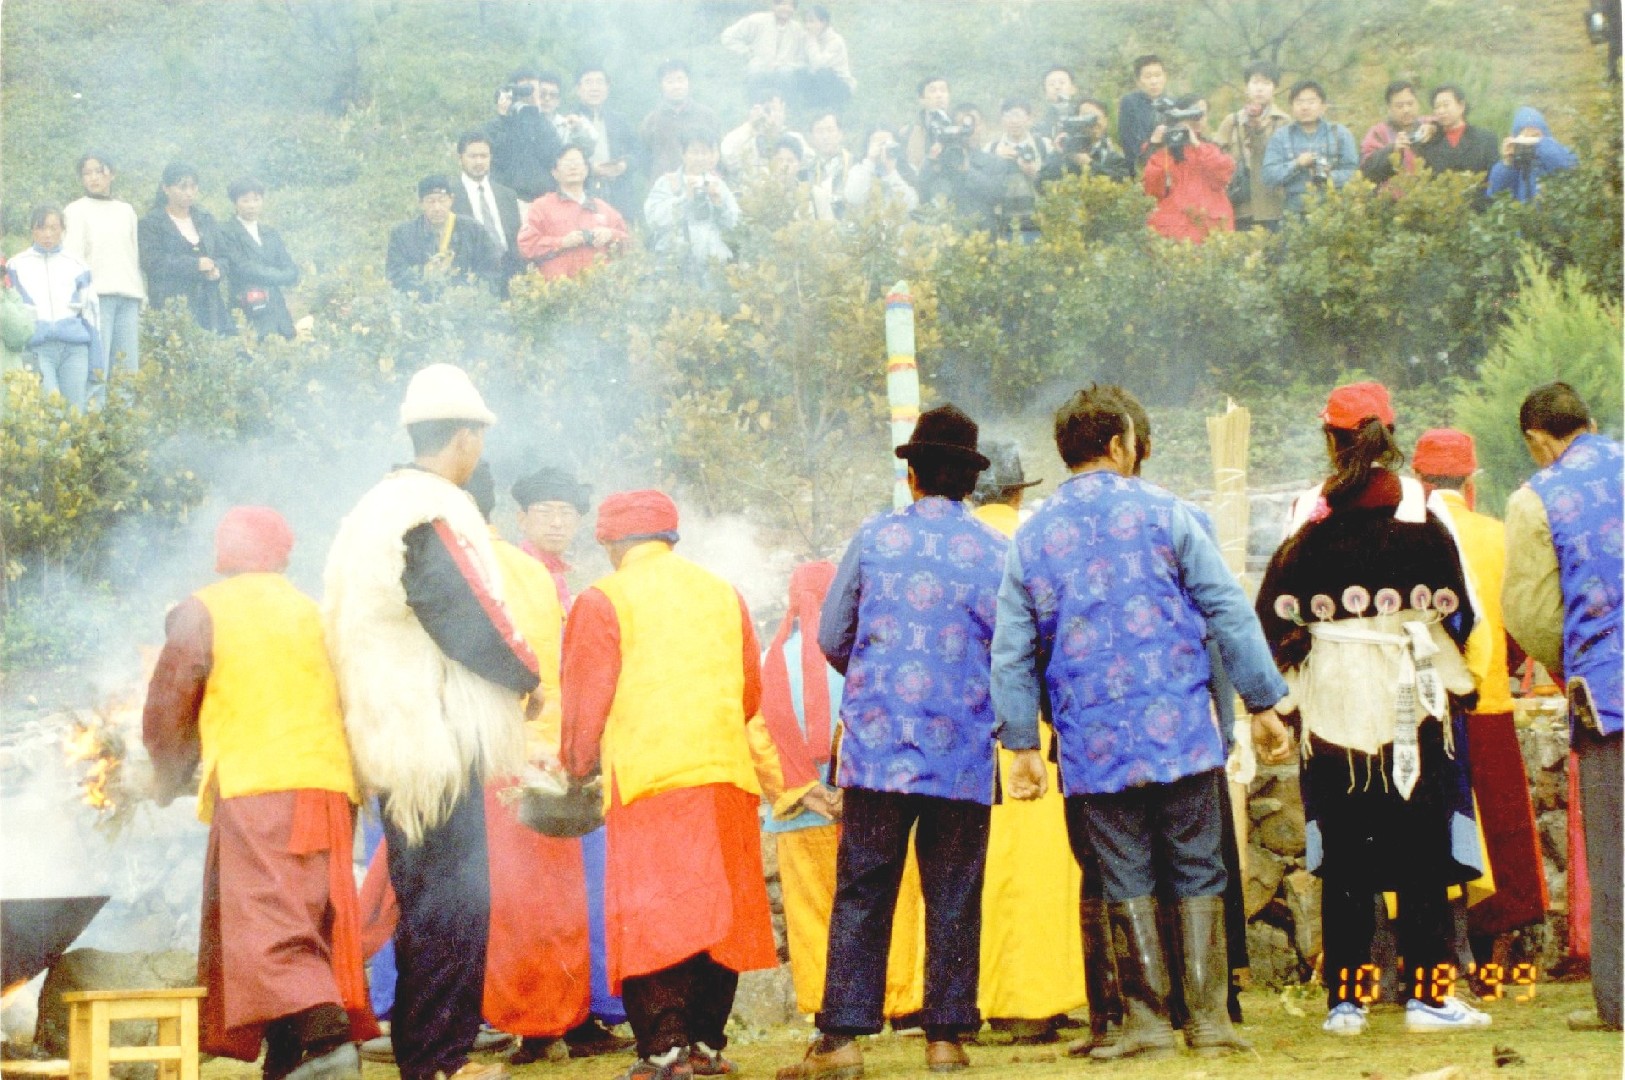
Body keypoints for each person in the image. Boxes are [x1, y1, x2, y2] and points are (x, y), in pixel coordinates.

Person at [992, 384, 1289, 1061]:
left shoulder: (1033, 536)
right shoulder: (1171, 514)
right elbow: (1226, 608)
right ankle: (1208, 1022)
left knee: (1121, 871)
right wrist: (1265, 702)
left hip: (1093, 740)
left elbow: (1012, 649)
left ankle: (1146, 1024)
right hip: (1179, 724)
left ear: (1064, 451)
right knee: (1196, 865)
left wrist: (1021, 745)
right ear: (1122, 442)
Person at [778, 405, 1047, 1079]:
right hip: (960, 748)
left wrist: (876, 681)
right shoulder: (999, 552)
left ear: (912, 474)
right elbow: (1017, 650)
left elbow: (832, 635)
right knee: (954, 888)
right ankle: (945, 1040)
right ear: (969, 481)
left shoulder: (874, 538)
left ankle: (840, 1042)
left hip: (875, 747)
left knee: (863, 888)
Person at [322, 363, 541, 1080]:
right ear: (465, 437)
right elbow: (460, 607)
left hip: (392, 729)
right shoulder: (427, 508)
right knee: (453, 904)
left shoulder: (369, 509)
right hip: (433, 733)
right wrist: (524, 677)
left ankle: (426, 1055)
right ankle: (440, 1059)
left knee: (428, 903)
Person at [1256, 382, 1491, 1037]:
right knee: (1422, 849)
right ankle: (1426, 998)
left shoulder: (1308, 512)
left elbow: (1274, 612)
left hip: (1331, 701)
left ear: (1328, 438)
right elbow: (1461, 609)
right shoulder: (1421, 507)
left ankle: (1345, 1003)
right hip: (1408, 693)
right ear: (1389, 433)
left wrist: (1300, 665)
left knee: (1344, 851)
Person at [143, 506, 376, 1080]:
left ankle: (327, 1044)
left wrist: (166, 772)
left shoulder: (204, 609)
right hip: (327, 786)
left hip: (259, 786)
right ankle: (289, 1057)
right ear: (284, 554)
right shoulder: (313, 612)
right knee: (308, 916)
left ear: (222, 554)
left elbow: (174, 695)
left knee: (263, 926)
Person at [560, 490, 778, 1080]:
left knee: (655, 917)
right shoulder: (722, 594)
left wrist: (575, 768)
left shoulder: (602, 599)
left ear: (610, 544)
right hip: (726, 775)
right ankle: (707, 1044)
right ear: (671, 536)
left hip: (653, 780)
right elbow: (749, 693)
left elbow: (586, 701)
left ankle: (666, 1047)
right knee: (718, 915)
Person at [753, 561, 928, 1024]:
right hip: (870, 805)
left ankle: (827, 1010)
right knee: (890, 901)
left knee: (814, 916)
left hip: (800, 814)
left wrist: (805, 790)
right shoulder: (865, 651)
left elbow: (756, 735)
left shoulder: (770, 661)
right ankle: (900, 1003)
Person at [1502, 382, 1622, 1033]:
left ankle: (1621, 1002)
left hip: (1607, 696)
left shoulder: (1534, 497)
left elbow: (1529, 613)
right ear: (1591, 423)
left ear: (1535, 439)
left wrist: (1567, 663)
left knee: (1616, 855)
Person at [968, 442, 1090, 1045]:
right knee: (1054, 865)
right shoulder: (1044, 542)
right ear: (1020, 491)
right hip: (1045, 726)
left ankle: (1003, 998)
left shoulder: (958, 545)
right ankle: (1056, 993)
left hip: (976, 734)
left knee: (994, 869)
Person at [507, 465, 633, 1050]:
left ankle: (584, 1012)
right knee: (534, 892)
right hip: (529, 751)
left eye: (566, 511)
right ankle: (539, 1020)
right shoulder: (511, 577)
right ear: (521, 519)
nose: (556, 521)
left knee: (586, 890)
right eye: (544, 511)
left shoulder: (581, 585)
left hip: (580, 751)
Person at [1411, 429, 1546, 950]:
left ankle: (1431, 946)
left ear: (1419, 480)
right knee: (1499, 831)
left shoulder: (1407, 532)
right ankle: (1497, 952)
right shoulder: (1496, 535)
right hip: (1487, 701)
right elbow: (1519, 621)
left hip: (1424, 708)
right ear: (1471, 483)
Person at [8, 204, 101, 411]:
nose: (47, 234)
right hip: (38, 351)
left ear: (63, 230)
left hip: (75, 351)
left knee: (75, 414)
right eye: (41, 228)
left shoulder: (78, 265)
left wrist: (97, 363)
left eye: (54, 228)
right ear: (32, 230)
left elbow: (92, 315)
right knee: (50, 413)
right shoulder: (15, 265)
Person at [62, 152, 144, 374]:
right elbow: (72, 260)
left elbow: (133, 255)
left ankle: (125, 410)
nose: (93, 178)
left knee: (128, 371)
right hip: (96, 299)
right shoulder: (75, 210)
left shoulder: (126, 211)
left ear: (112, 173)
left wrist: (140, 296)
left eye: (99, 171)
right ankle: (96, 410)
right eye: (87, 173)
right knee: (98, 368)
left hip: (128, 298)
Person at [139, 162, 233, 335]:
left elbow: (224, 256)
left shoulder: (205, 219)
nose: (189, 193)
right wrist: (194, 265)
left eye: (193, 187)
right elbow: (152, 262)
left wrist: (218, 270)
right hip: (170, 307)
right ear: (165, 188)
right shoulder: (151, 223)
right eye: (182, 187)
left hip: (210, 306)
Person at [517, 145, 630, 281]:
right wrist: (562, 242)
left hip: (599, 291)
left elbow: (629, 243)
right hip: (558, 292)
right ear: (554, 172)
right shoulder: (540, 207)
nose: (573, 167)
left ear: (586, 170)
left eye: (577, 162)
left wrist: (611, 235)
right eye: (566, 163)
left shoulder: (603, 208)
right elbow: (526, 246)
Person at [385, 176, 500, 298]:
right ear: (421, 203)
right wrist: (424, 272)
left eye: (442, 200)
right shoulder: (402, 234)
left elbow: (491, 270)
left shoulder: (473, 229)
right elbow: (395, 275)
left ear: (451, 200)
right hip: (421, 306)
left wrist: (465, 290)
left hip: (466, 305)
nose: (437, 208)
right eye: (430, 201)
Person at [643, 129, 742, 271]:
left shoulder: (718, 185)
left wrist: (719, 204)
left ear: (711, 156)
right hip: (674, 266)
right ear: (683, 154)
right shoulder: (667, 183)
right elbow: (654, 220)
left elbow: (735, 225)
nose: (700, 157)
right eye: (695, 152)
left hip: (713, 267)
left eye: (705, 152)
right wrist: (685, 199)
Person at [1143, 95, 1234, 243]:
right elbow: (1152, 190)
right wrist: (1156, 146)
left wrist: (1197, 145)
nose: (1197, 119)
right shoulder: (1163, 151)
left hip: (1211, 231)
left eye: (1202, 114)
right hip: (1173, 232)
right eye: (1190, 113)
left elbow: (1224, 174)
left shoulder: (1210, 148)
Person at [217, 178, 299, 340]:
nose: (252, 205)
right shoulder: (226, 232)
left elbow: (291, 269)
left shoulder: (270, 233)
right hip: (248, 306)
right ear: (235, 202)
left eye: (256, 199)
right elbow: (243, 268)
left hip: (277, 309)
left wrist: (286, 275)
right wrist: (280, 276)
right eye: (245, 200)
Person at [1213, 62, 1291, 231]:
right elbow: (1214, 161)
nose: (1260, 89)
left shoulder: (1285, 122)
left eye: (1266, 83)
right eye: (1255, 82)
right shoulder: (1231, 122)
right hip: (1240, 207)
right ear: (1246, 87)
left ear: (1275, 88)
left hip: (1274, 207)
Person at [1261, 81, 1357, 215]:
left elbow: (1354, 173)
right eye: (1299, 102)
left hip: (1334, 211)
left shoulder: (1340, 134)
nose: (1305, 107)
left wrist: (1329, 176)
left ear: (1323, 106)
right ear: (1291, 107)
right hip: (1294, 212)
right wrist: (1297, 164)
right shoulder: (1281, 137)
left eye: (1311, 102)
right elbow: (1268, 176)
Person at [451, 133, 525, 287]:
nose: (479, 162)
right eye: (472, 156)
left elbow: (515, 236)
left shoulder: (507, 194)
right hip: (471, 275)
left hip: (510, 273)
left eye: (484, 156)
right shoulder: (451, 196)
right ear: (460, 158)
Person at [487, 71, 566, 204]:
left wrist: (536, 108)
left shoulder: (544, 124)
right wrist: (504, 117)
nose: (528, 93)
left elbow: (552, 156)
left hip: (543, 198)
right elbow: (497, 158)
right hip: (509, 199)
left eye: (534, 89)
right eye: (524, 89)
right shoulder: (496, 126)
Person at [1413, 85, 1500, 205]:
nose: (1441, 111)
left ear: (1461, 106)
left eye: (1446, 105)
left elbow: (1494, 180)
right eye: (1437, 107)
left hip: (1479, 212)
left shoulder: (1485, 139)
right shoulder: (1428, 142)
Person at [574, 67, 641, 217]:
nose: (594, 88)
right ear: (578, 89)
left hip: (619, 193)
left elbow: (638, 151)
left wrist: (624, 165)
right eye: (588, 82)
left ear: (607, 88)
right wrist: (591, 169)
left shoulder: (620, 120)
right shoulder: (571, 121)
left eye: (599, 82)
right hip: (584, 190)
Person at [640, 60, 722, 181]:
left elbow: (718, 153)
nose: (676, 86)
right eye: (670, 81)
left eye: (680, 80)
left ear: (688, 82)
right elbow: (644, 160)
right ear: (661, 85)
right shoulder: (651, 121)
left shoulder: (707, 116)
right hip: (665, 189)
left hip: (702, 185)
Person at [983, 99, 1050, 242]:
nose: (1014, 121)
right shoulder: (990, 149)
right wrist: (996, 162)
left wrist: (1034, 172)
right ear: (1001, 119)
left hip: (1039, 225)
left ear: (1029, 118)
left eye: (1018, 115)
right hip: (1003, 226)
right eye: (1008, 116)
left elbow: (1055, 183)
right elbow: (985, 188)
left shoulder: (1043, 145)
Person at [1486, 106, 1578, 203]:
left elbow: (1566, 169)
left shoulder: (1561, 151)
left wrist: (1541, 144)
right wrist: (1507, 162)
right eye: (1524, 137)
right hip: (1524, 215)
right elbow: (1496, 194)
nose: (1529, 142)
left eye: (1535, 136)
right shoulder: (1517, 162)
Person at [720, 0, 806, 103]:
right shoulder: (756, 20)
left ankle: (788, 109)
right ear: (774, 5)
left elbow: (802, 57)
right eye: (783, 4)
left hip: (784, 70)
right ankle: (753, 108)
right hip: (759, 65)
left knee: (787, 75)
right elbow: (728, 36)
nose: (786, 8)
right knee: (755, 72)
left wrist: (787, 65)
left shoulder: (798, 29)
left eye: (791, 5)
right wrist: (747, 53)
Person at [1038, 98, 1132, 185]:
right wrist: (1058, 154)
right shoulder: (1066, 150)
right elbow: (1041, 183)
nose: (1093, 123)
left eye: (1096, 117)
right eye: (1086, 118)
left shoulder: (1111, 154)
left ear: (1106, 120)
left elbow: (1123, 181)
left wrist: (1089, 164)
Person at [1358, 80, 1434, 186]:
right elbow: (1366, 170)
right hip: (1391, 199)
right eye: (1399, 106)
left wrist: (1436, 132)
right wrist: (1393, 150)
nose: (1406, 110)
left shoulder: (1430, 124)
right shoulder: (1378, 133)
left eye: (1410, 104)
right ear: (1389, 108)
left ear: (1418, 103)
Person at [843, 127, 918, 215]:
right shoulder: (859, 170)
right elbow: (854, 198)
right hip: (867, 225)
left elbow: (911, 205)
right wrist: (870, 161)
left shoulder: (907, 170)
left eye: (887, 143)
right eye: (877, 143)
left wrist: (891, 172)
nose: (882, 148)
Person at [1118, 54, 1170, 174]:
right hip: (1144, 169)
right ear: (1138, 81)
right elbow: (1129, 142)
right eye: (1148, 76)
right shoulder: (1130, 103)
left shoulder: (1173, 103)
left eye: (1158, 75)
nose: (1154, 81)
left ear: (1165, 76)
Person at [797, 5, 855, 113]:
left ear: (824, 23)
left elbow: (818, 64)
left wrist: (811, 41)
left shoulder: (835, 41)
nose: (808, 26)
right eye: (806, 22)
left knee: (823, 73)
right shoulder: (807, 37)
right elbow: (801, 60)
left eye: (812, 21)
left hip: (840, 85)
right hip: (817, 79)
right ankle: (805, 110)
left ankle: (833, 110)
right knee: (799, 72)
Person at [1037, 66, 1079, 141]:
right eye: (1051, 84)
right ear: (1045, 93)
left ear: (1073, 89)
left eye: (1062, 83)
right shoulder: (1040, 124)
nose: (1057, 87)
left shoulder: (1081, 114)